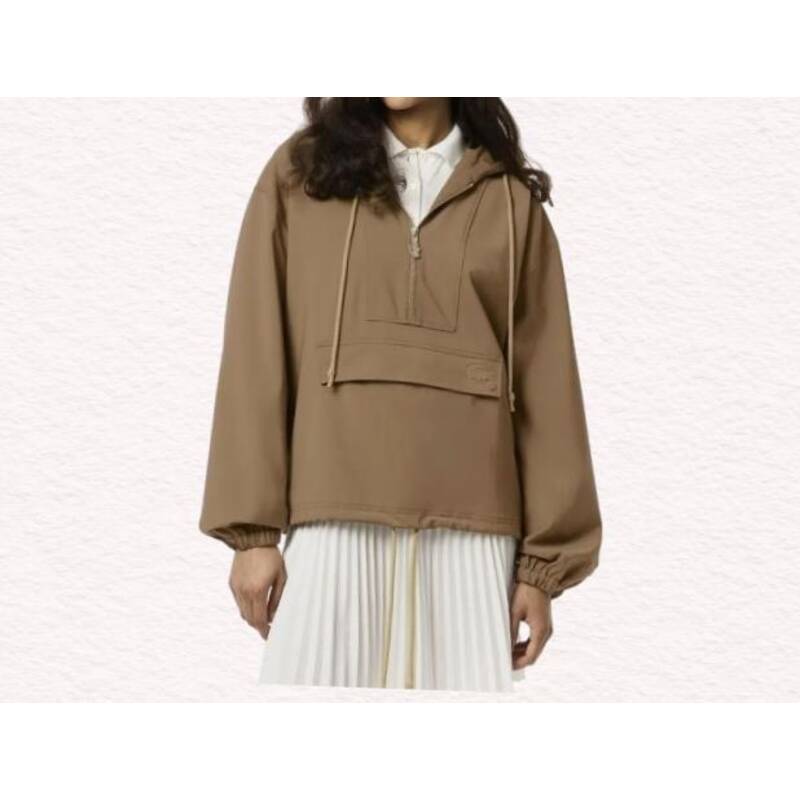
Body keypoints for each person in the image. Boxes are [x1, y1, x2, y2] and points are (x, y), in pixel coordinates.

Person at [198, 97, 602, 692]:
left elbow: (548, 387)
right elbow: (256, 348)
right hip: (331, 514)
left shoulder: (509, 199)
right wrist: (251, 533)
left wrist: (542, 569)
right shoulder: (301, 174)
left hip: (472, 532)